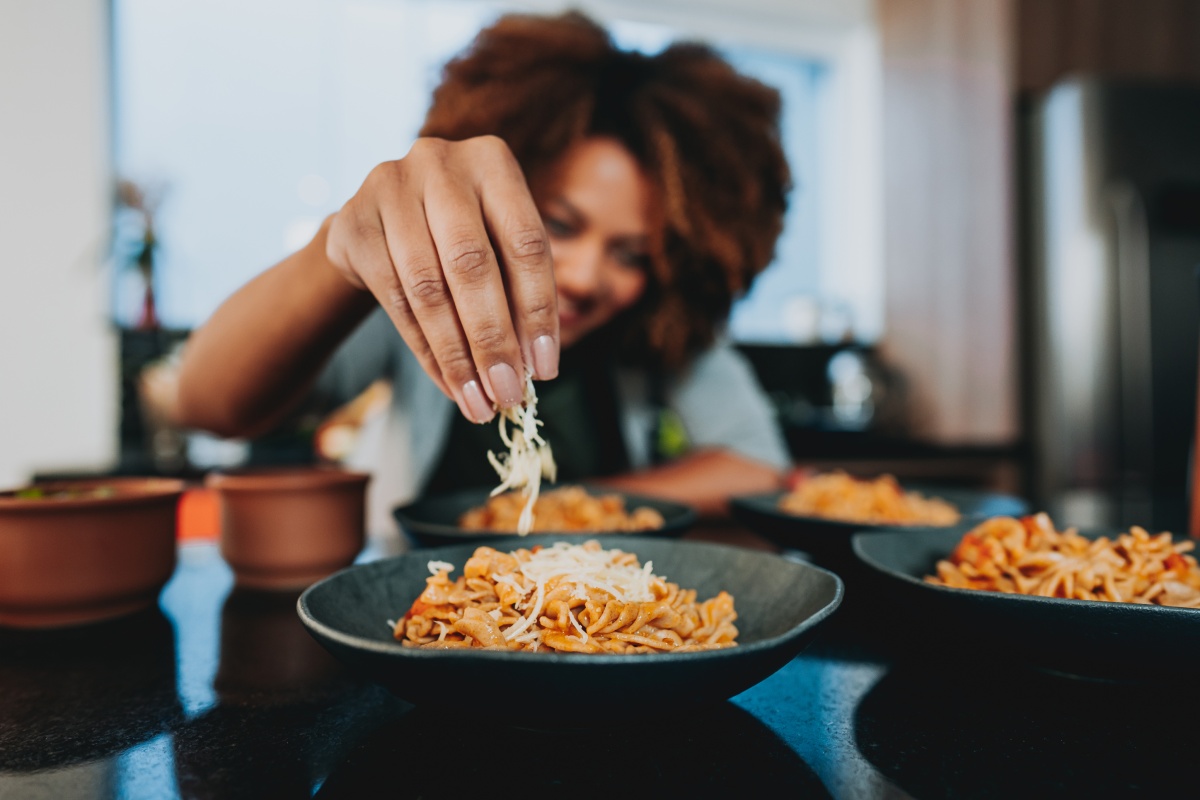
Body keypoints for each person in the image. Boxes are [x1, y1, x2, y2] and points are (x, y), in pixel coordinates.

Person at [169, 11, 793, 543]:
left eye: (631, 255)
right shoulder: (424, 291)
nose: (582, 277)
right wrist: (336, 255)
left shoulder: (657, 328)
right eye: (559, 224)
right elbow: (208, 403)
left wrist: (565, 506)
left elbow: (755, 466)